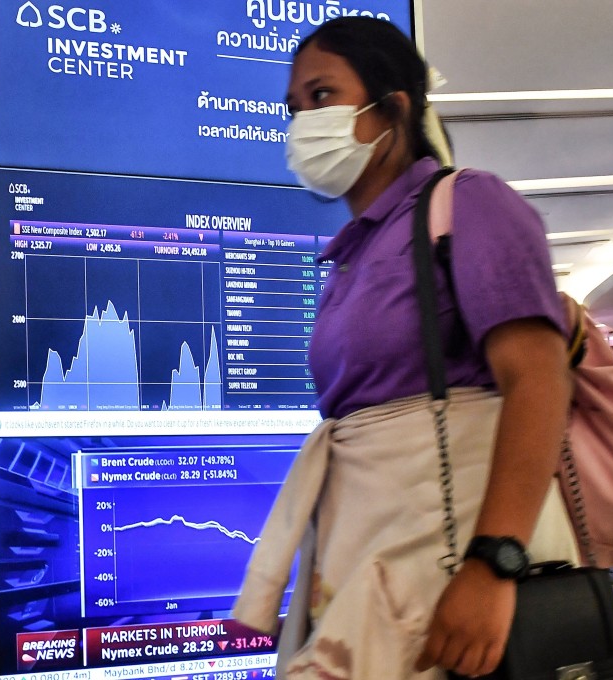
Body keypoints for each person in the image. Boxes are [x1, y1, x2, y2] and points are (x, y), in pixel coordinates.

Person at [233, 17, 577, 679]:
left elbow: (538, 380)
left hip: (446, 561)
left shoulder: (468, 204)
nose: (303, 120)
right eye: (294, 107)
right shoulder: (352, 255)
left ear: (393, 108)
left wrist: (494, 565)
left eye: (322, 96)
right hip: (372, 560)